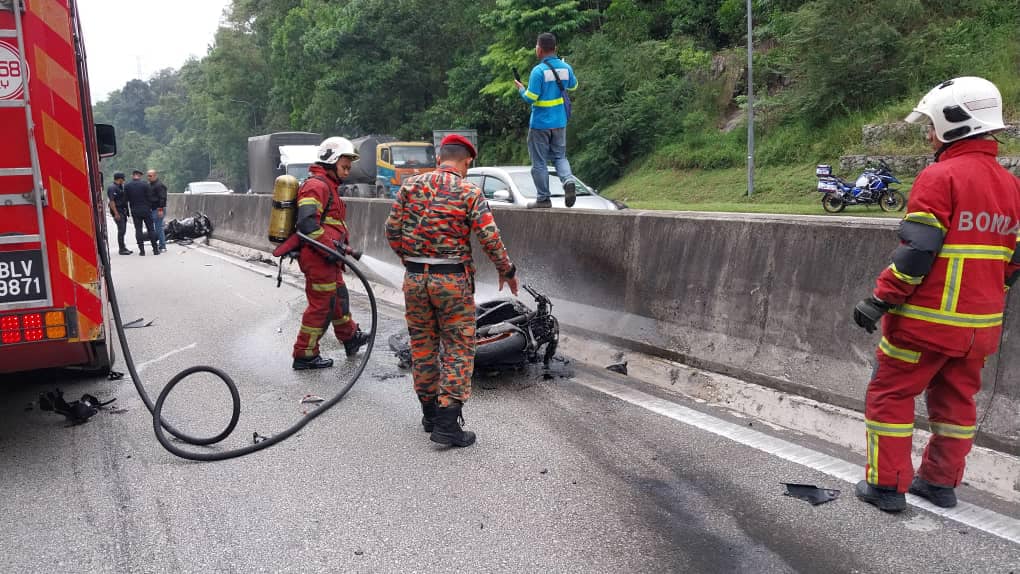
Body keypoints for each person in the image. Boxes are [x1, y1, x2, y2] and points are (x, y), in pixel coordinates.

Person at [852, 77, 1020, 512]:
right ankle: (939, 483)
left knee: (891, 395)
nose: (928, 134)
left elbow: (918, 251)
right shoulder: (1011, 186)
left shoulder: (939, 176)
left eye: (931, 125)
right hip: (979, 329)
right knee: (956, 404)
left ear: (955, 123)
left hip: (926, 324)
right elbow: (1014, 261)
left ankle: (886, 488)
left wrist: (880, 300)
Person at [385, 134, 519, 448]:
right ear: (467, 161)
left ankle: (429, 413)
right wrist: (506, 270)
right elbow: (489, 236)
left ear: (439, 158)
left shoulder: (410, 186)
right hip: (452, 283)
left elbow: (391, 230)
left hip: (416, 280)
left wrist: (410, 259)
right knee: (459, 348)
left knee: (423, 346)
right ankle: (447, 422)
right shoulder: (469, 191)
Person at [291, 137, 370, 370]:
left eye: (349, 167)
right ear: (330, 161)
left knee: (339, 298)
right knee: (321, 306)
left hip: (328, 257)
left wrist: (336, 248)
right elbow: (307, 224)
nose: (347, 172)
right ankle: (304, 354)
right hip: (318, 258)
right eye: (344, 166)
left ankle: (350, 337)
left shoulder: (328, 185)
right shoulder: (316, 186)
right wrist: (329, 247)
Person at [514, 32, 578, 209]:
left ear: (539, 49)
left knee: (540, 162)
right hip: (560, 122)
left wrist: (521, 89)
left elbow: (530, 98)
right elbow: (574, 85)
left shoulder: (538, 71)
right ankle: (568, 180)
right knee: (560, 156)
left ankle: (543, 198)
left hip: (540, 124)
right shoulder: (566, 68)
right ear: (555, 48)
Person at [123, 170, 159, 256]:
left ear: (133, 176)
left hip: (135, 211)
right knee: (151, 229)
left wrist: (127, 211)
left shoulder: (127, 186)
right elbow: (150, 197)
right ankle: (155, 250)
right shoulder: (145, 185)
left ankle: (142, 251)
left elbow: (125, 200)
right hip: (146, 210)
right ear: (140, 176)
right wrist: (149, 206)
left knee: (138, 230)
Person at [106, 172, 131, 255]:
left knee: (123, 230)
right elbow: (112, 201)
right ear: (119, 179)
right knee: (121, 230)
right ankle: (121, 249)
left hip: (123, 211)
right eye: (123, 178)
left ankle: (123, 246)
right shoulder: (112, 188)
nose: (124, 180)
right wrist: (116, 213)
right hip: (117, 210)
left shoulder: (120, 187)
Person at [147, 170, 168, 253]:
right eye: (148, 176)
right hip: (152, 209)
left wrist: (160, 210)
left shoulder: (159, 185)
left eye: (150, 176)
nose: (149, 177)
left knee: (159, 228)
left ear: (155, 176)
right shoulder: (150, 185)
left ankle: (162, 246)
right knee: (156, 228)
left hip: (158, 209)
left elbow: (162, 198)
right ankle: (159, 245)